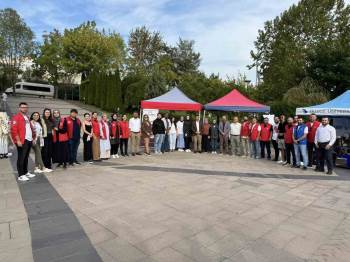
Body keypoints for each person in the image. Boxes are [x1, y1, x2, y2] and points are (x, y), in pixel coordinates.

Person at [11, 102, 36, 181]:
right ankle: (20, 175)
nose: (24, 108)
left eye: (26, 107)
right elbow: (14, 130)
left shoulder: (27, 117)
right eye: (23, 107)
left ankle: (25, 172)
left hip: (28, 140)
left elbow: (29, 128)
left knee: (25, 157)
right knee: (21, 158)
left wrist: (32, 137)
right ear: (19, 108)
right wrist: (18, 140)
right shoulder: (16, 117)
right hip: (22, 141)